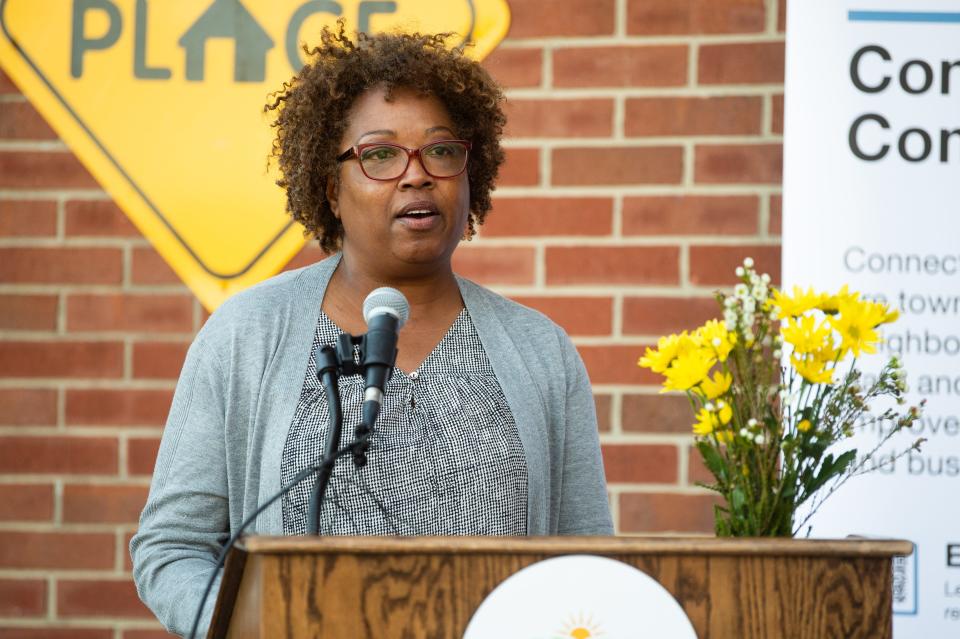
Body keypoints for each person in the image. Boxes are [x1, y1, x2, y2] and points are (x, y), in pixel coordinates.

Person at [131, 26, 612, 636]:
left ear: (471, 173)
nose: (417, 176)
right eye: (379, 154)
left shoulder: (540, 351)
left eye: (440, 151)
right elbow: (173, 547)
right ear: (331, 188)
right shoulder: (248, 334)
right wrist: (248, 627)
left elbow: (588, 565)